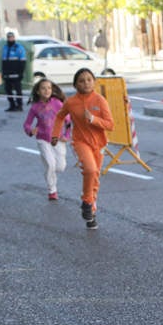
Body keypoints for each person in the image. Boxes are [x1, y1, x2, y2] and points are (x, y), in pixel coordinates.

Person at [52, 68, 114, 229]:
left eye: (89, 79)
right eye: (81, 80)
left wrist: (93, 119)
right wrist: (55, 134)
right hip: (80, 142)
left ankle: (91, 214)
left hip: (98, 143)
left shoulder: (100, 100)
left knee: (94, 178)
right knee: (90, 170)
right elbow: (59, 116)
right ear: (75, 84)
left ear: (94, 82)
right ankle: (87, 202)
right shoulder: (71, 102)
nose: (86, 83)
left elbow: (110, 125)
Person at [23, 78, 70, 201]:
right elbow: (27, 124)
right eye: (43, 88)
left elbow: (68, 120)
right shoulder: (35, 107)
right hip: (43, 139)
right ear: (38, 91)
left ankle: (52, 179)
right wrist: (30, 130)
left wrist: (67, 135)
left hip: (58, 139)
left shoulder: (57, 104)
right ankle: (52, 190)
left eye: (49, 88)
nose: (47, 90)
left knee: (60, 167)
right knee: (50, 165)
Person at [1, 32, 27, 112]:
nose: (10, 39)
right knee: (8, 90)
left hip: (16, 73)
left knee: (18, 90)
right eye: (9, 37)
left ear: (14, 38)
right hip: (7, 73)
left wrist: (21, 72)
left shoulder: (19, 48)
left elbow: (23, 61)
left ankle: (19, 105)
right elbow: (3, 61)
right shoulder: (5, 48)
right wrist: (3, 72)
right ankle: (12, 105)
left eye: (11, 37)